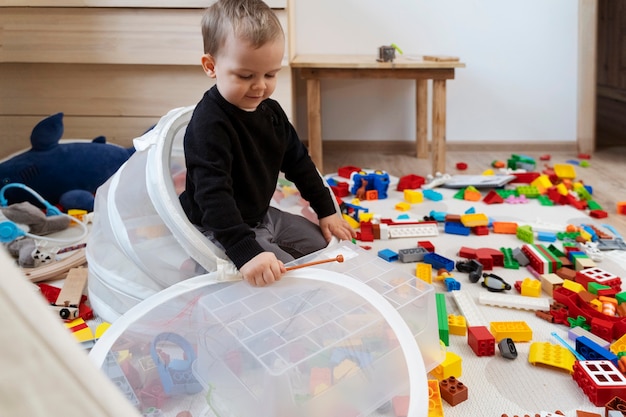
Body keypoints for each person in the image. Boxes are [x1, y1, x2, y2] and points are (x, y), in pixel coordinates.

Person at [179, 0, 355, 287]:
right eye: (246, 76)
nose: (260, 86)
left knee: (325, 249)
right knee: (281, 278)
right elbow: (213, 197)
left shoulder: (270, 112)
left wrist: (326, 210)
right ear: (211, 66)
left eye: (270, 74)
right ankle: (205, 267)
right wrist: (246, 252)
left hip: (261, 215)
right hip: (219, 225)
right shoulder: (208, 125)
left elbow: (299, 162)